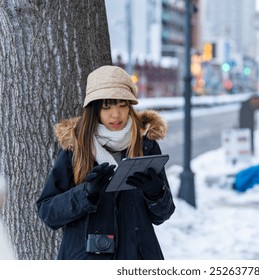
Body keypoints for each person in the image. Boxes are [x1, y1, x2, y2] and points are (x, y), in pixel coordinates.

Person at [36, 65, 175, 260]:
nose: (116, 115)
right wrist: (85, 193)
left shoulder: (146, 145)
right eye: (106, 106)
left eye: (122, 105)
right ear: (94, 109)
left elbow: (163, 214)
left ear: (130, 106)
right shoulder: (75, 147)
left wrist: (155, 192)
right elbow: (48, 212)